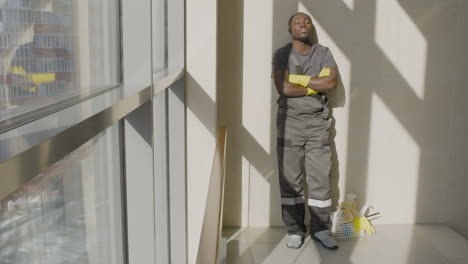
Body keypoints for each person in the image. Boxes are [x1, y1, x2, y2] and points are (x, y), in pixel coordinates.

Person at [271, 12, 338, 250]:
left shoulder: (323, 52)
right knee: (290, 180)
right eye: (297, 21)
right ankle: (295, 230)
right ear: (290, 29)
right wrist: (314, 83)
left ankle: (321, 229)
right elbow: (283, 87)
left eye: (307, 21)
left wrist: (298, 79)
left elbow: (330, 83)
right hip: (290, 124)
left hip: (318, 124)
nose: (302, 23)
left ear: (311, 27)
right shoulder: (281, 54)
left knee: (321, 178)